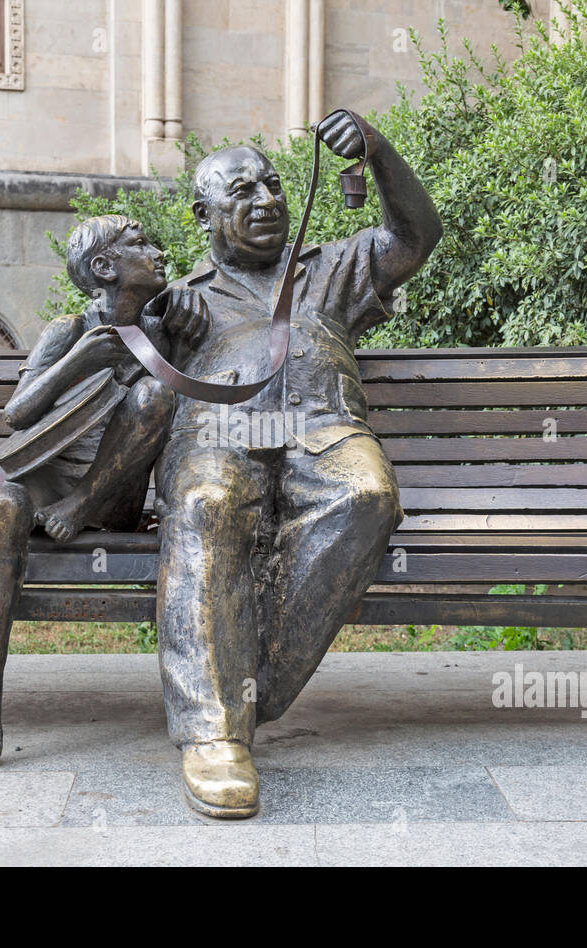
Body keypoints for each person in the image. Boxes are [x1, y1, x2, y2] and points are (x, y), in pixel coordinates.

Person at [154, 112, 443, 817]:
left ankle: (248, 686)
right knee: (205, 503)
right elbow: (105, 345)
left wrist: (377, 150)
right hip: (220, 437)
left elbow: (417, 235)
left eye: (274, 184)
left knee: (368, 492)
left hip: (323, 430)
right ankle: (215, 735)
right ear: (204, 215)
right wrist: (156, 320)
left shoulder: (330, 269)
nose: (267, 200)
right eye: (242, 192)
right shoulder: (181, 299)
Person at [0, 214, 207, 762]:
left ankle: (82, 502)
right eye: (139, 243)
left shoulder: (166, 330)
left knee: (153, 399)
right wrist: (81, 359)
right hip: (47, 486)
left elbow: (184, 411)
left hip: (110, 495)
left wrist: (187, 303)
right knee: (3, 510)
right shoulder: (67, 331)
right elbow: (17, 414)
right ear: (103, 267)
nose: (157, 249)